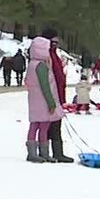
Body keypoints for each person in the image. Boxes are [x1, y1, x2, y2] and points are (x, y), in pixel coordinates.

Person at [24, 36, 62, 162]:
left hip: (34, 99)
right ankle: (41, 152)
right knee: (44, 125)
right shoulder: (41, 66)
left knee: (34, 124)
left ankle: (33, 152)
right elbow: (45, 86)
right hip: (43, 101)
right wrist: (51, 103)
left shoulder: (31, 64)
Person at [43, 28, 75, 163]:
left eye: (57, 41)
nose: (55, 43)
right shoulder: (46, 56)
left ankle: (57, 152)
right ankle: (48, 152)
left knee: (56, 124)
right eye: (53, 41)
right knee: (48, 125)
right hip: (50, 96)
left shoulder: (54, 55)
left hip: (58, 96)